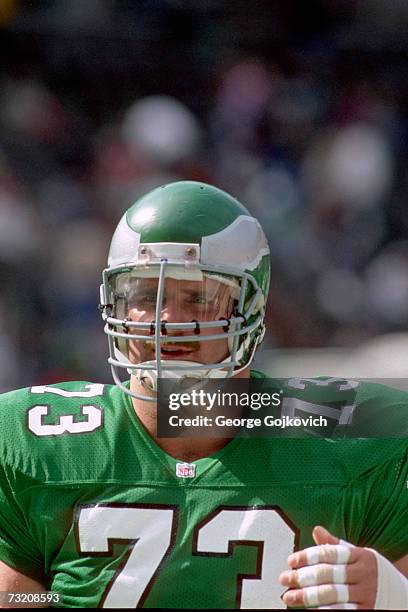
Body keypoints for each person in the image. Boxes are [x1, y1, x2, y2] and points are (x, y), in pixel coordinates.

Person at [0, 180, 407, 609]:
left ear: (250, 308)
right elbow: (19, 595)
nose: (168, 319)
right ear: (112, 302)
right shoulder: (32, 442)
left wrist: (395, 596)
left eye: (198, 297)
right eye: (144, 294)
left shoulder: (363, 434)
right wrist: (50, 599)